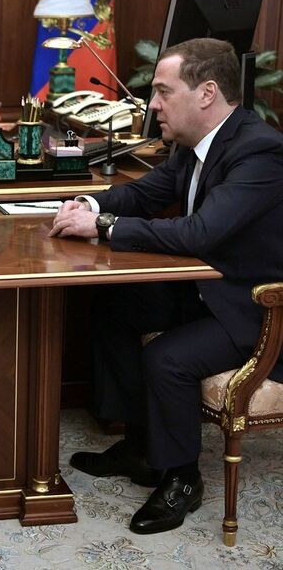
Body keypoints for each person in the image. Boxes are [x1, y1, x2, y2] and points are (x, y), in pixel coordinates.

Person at [49, 37, 283, 535]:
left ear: (207, 93)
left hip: (253, 309)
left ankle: (181, 478)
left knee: (167, 358)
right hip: (205, 289)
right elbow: (147, 191)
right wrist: (90, 205)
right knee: (115, 305)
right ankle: (141, 449)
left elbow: (201, 233)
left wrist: (106, 227)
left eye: (163, 91)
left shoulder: (259, 151)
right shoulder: (194, 144)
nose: (152, 104)